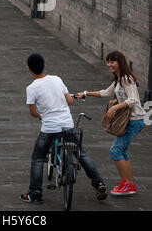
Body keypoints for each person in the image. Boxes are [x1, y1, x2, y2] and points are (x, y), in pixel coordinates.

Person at [21, 54, 107, 204]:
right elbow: (70, 101)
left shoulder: (31, 88)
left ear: (29, 69)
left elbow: (34, 113)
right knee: (81, 154)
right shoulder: (57, 79)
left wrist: (43, 114)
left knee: (37, 159)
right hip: (68, 124)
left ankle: (35, 193)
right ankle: (98, 183)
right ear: (44, 66)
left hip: (49, 128)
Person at [76, 50, 145, 196]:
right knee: (122, 152)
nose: (109, 65)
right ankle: (127, 182)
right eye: (107, 62)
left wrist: (115, 107)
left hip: (134, 120)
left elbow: (133, 100)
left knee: (115, 151)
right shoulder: (119, 79)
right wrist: (86, 93)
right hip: (130, 121)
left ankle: (128, 185)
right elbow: (105, 93)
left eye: (112, 61)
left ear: (120, 62)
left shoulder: (126, 79)